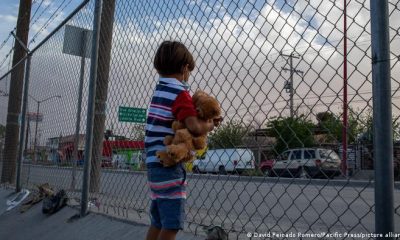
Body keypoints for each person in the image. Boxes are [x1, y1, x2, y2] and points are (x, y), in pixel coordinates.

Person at [145, 41, 214, 240]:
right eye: (189, 71)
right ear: (185, 69)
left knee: (158, 221)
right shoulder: (180, 93)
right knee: (172, 224)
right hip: (168, 166)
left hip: (153, 164)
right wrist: (209, 124)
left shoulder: (159, 92)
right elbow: (193, 126)